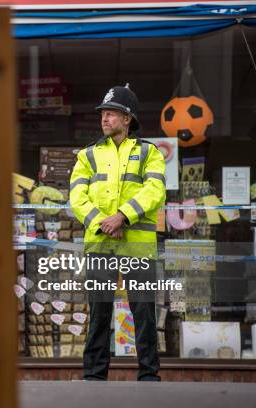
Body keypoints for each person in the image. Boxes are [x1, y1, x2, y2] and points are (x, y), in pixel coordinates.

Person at [69, 84, 166, 381]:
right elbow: (76, 196)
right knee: (99, 313)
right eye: (103, 113)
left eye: (112, 113)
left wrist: (123, 216)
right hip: (100, 245)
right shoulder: (88, 155)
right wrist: (103, 223)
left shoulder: (150, 152)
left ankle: (149, 375)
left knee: (144, 314)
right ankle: (94, 375)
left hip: (137, 246)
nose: (104, 118)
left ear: (128, 119)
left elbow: (156, 190)